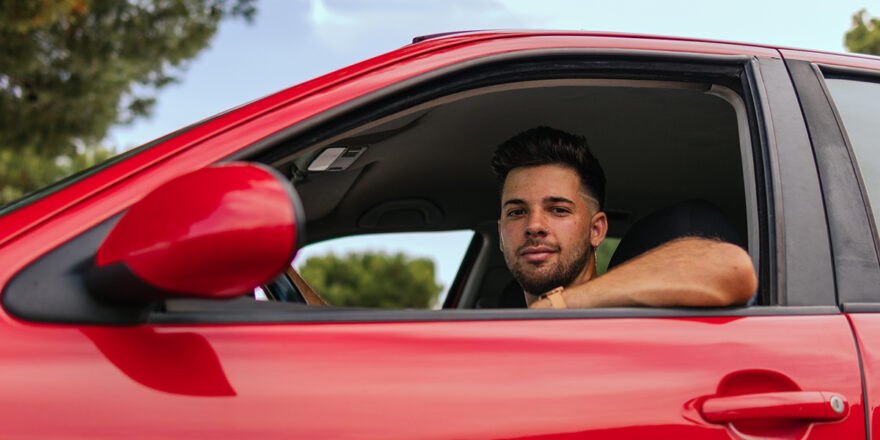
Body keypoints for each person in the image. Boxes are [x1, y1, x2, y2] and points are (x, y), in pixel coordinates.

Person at [491, 126, 757, 309]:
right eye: (517, 212)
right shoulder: (492, 338)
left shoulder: (635, 319)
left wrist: (557, 307)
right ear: (501, 235)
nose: (534, 225)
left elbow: (731, 266)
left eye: (559, 209)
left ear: (596, 230)